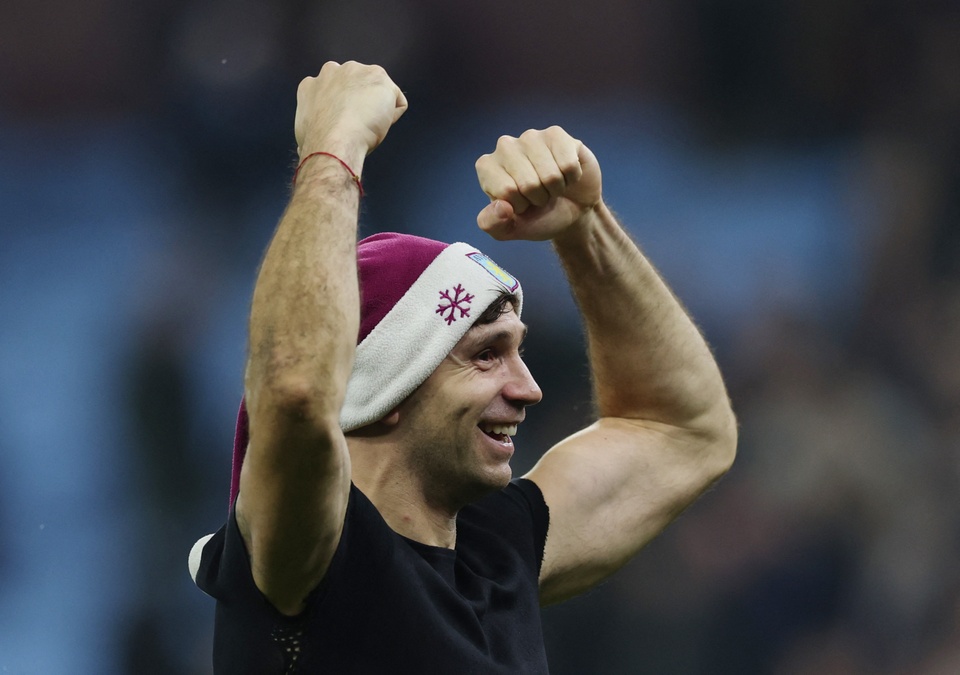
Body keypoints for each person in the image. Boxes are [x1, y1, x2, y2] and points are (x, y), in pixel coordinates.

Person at [189, 61, 737, 674]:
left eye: (517, 351)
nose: (528, 389)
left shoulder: (497, 548)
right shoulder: (312, 550)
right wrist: (333, 149)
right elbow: (295, 386)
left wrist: (586, 229)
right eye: (485, 355)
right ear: (385, 389)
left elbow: (683, 431)